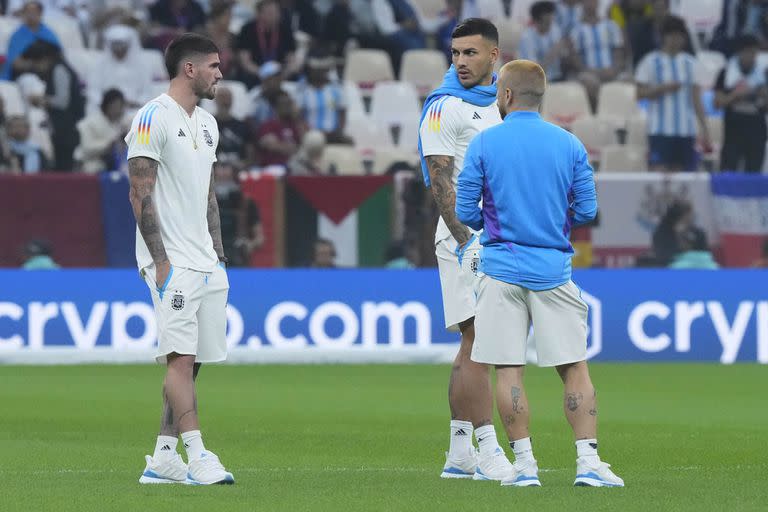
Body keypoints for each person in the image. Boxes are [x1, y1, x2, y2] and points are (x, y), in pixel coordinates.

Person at [455, 59, 623, 488]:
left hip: (500, 271)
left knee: (509, 370)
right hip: (552, 269)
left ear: (507, 95)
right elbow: (587, 210)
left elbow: (463, 211)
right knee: (573, 369)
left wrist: (498, 222)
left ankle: (525, 466)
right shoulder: (568, 145)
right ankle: (588, 463)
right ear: (540, 95)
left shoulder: (485, 144)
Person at [125, 33, 234, 485]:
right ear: (189, 69)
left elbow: (208, 194)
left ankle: (163, 456)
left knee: (197, 361)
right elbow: (139, 191)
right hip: (171, 262)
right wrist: (160, 261)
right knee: (180, 360)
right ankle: (199, 453)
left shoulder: (208, 124)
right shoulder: (152, 118)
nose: (219, 73)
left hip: (206, 261)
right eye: (213, 65)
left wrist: (220, 253)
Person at [417, 18, 513, 481]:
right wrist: (466, 241)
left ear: (494, 55)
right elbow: (439, 180)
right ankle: (489, 448)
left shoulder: (505, 102)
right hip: (464, 239)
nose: (460, 62)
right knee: (479, 341)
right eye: (455, 53)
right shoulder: (444, 107)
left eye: (470, 53)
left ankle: (459, 453)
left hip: (500, 236)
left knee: (475, 342)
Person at [635, 16, 711, 172]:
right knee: (659, 174)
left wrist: (705, 128)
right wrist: (662, 88)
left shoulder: (691, 63)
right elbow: (639, 93)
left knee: (684, 177)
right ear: (663, 37)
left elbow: (697, 99)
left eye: (680, 35)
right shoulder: (650, 61)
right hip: (659, 130)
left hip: (686, 130)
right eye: (672, 35)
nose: (676, 39)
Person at [24, 40, 85, 172]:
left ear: (45, 59)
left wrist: (41, 99)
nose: (35, 67)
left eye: (36, 63)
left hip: (68, 128)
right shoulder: (52, 71)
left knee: (64, 167)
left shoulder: (59, 69)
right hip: (60, 127)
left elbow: (62, 102)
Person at [714, 34, 768, 172]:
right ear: (739, 52)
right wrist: (736, 95)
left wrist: (763, 95)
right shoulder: (726, 73)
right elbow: (718, 103)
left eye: (754, 52)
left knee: (753, 175)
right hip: (733, 131)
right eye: (748, 52)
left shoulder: (764, 74)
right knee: (729, 172)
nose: (752, 56)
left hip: (756, 131)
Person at [570, 0, 626, 110]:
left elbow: (618, 51)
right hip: (589, 73)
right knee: (589, 82)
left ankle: (618, 112)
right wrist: (589, 70)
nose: (590, 4)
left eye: (592, 1)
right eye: (586, 2)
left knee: (628, 81)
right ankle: (603, 112)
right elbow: (575, 57)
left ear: (598, 3)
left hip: (611, 71)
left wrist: (614, 69)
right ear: (582, 5)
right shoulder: (576, 30)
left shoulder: (611, 26)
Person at [88, 24, 151, 111]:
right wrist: (107, 103)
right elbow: (93, 91)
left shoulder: (141, 65)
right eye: (115, 46)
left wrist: (136, 102)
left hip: (134, 109)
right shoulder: (100, 65)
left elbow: (147, 91)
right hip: (107, 109)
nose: (119, 50)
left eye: (122, 46)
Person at [213, 160, 265, 266]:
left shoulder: (245, 202)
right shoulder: (203, 202)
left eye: (226, 168)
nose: (222, 173)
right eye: (219, 168)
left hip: (237, 257)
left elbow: (259, 238)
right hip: (210, 256)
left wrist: (249, 245)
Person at [236, 0, 297, 87]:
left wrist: (283, 74)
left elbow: (291, 58)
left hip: (280, 73)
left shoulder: (286, 30)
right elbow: (245, 61)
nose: (275, 16)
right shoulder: (247, 29)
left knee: (295, 77)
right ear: (259, 14)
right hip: (256, 72)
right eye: (270, 13)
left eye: (277, 12)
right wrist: (260, 73)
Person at [294, 53, 351, 144]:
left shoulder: (337, 89)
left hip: (333, 135)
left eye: (322, 69)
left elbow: (342, 113)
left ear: (327, 70)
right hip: (311, 136)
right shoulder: (303, 90)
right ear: (311, 70)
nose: (319, 72)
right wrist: (309, 132)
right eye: (316, 69)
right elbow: (299, 117)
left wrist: (338, 131)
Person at [1, 0, 60, 80]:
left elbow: (59, 54)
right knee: (30, 81)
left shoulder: (48, 33)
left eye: (34, 12)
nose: (31, 15)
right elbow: (14, 62)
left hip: (49, 72)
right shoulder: (17, 36)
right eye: (28, 12)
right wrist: (35, 65)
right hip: (24, 74)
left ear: (40, 14)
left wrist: (47, 64)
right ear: (23, 14)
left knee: (61, 72)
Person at [75, 88, 128, 173]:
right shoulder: (90, 123)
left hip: (114, 166)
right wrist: (109, 145)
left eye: (120, 106)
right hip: (91, 164)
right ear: (108, 105)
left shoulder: (120, 124)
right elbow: (87, 148)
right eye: (115, 105)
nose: (118, 109)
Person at [518, 1, 569, 82]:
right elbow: (534, 72)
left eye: (551, 18)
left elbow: (563, 58)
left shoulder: (555, 30)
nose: (551, 22)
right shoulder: (527, 38)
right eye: (547, 22)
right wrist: (554, 52)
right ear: (537, 21)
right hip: (535, 82)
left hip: (557, 78)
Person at [256, 90, 305, 167]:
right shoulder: (268, 125)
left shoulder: (296, 124)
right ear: (276, 107)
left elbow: (305, 144)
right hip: (274, 166)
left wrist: (297, 118)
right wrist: (292, 148)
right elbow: (272, 146)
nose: (287, 107)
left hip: (295, 166)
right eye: (284, 104)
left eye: (289, 104)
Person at [214, 85, 254, 166]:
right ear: (215, 100)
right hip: (215, 170)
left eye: (228, 97)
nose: (225, 101)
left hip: (238, 169)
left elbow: (251, 156)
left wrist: (243, 164)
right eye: (222, 97)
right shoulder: (206, 125)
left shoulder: (243, 126)